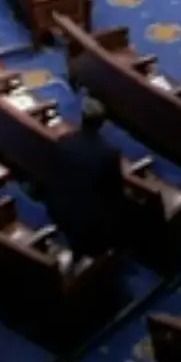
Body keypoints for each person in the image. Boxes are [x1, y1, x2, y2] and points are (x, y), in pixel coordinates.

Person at [43, 98, 127, 260]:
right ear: (102, 123)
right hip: (88, 223)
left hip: (58, 208)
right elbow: (115, 192)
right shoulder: (109, 154)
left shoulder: (65, 142)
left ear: (82, 117)